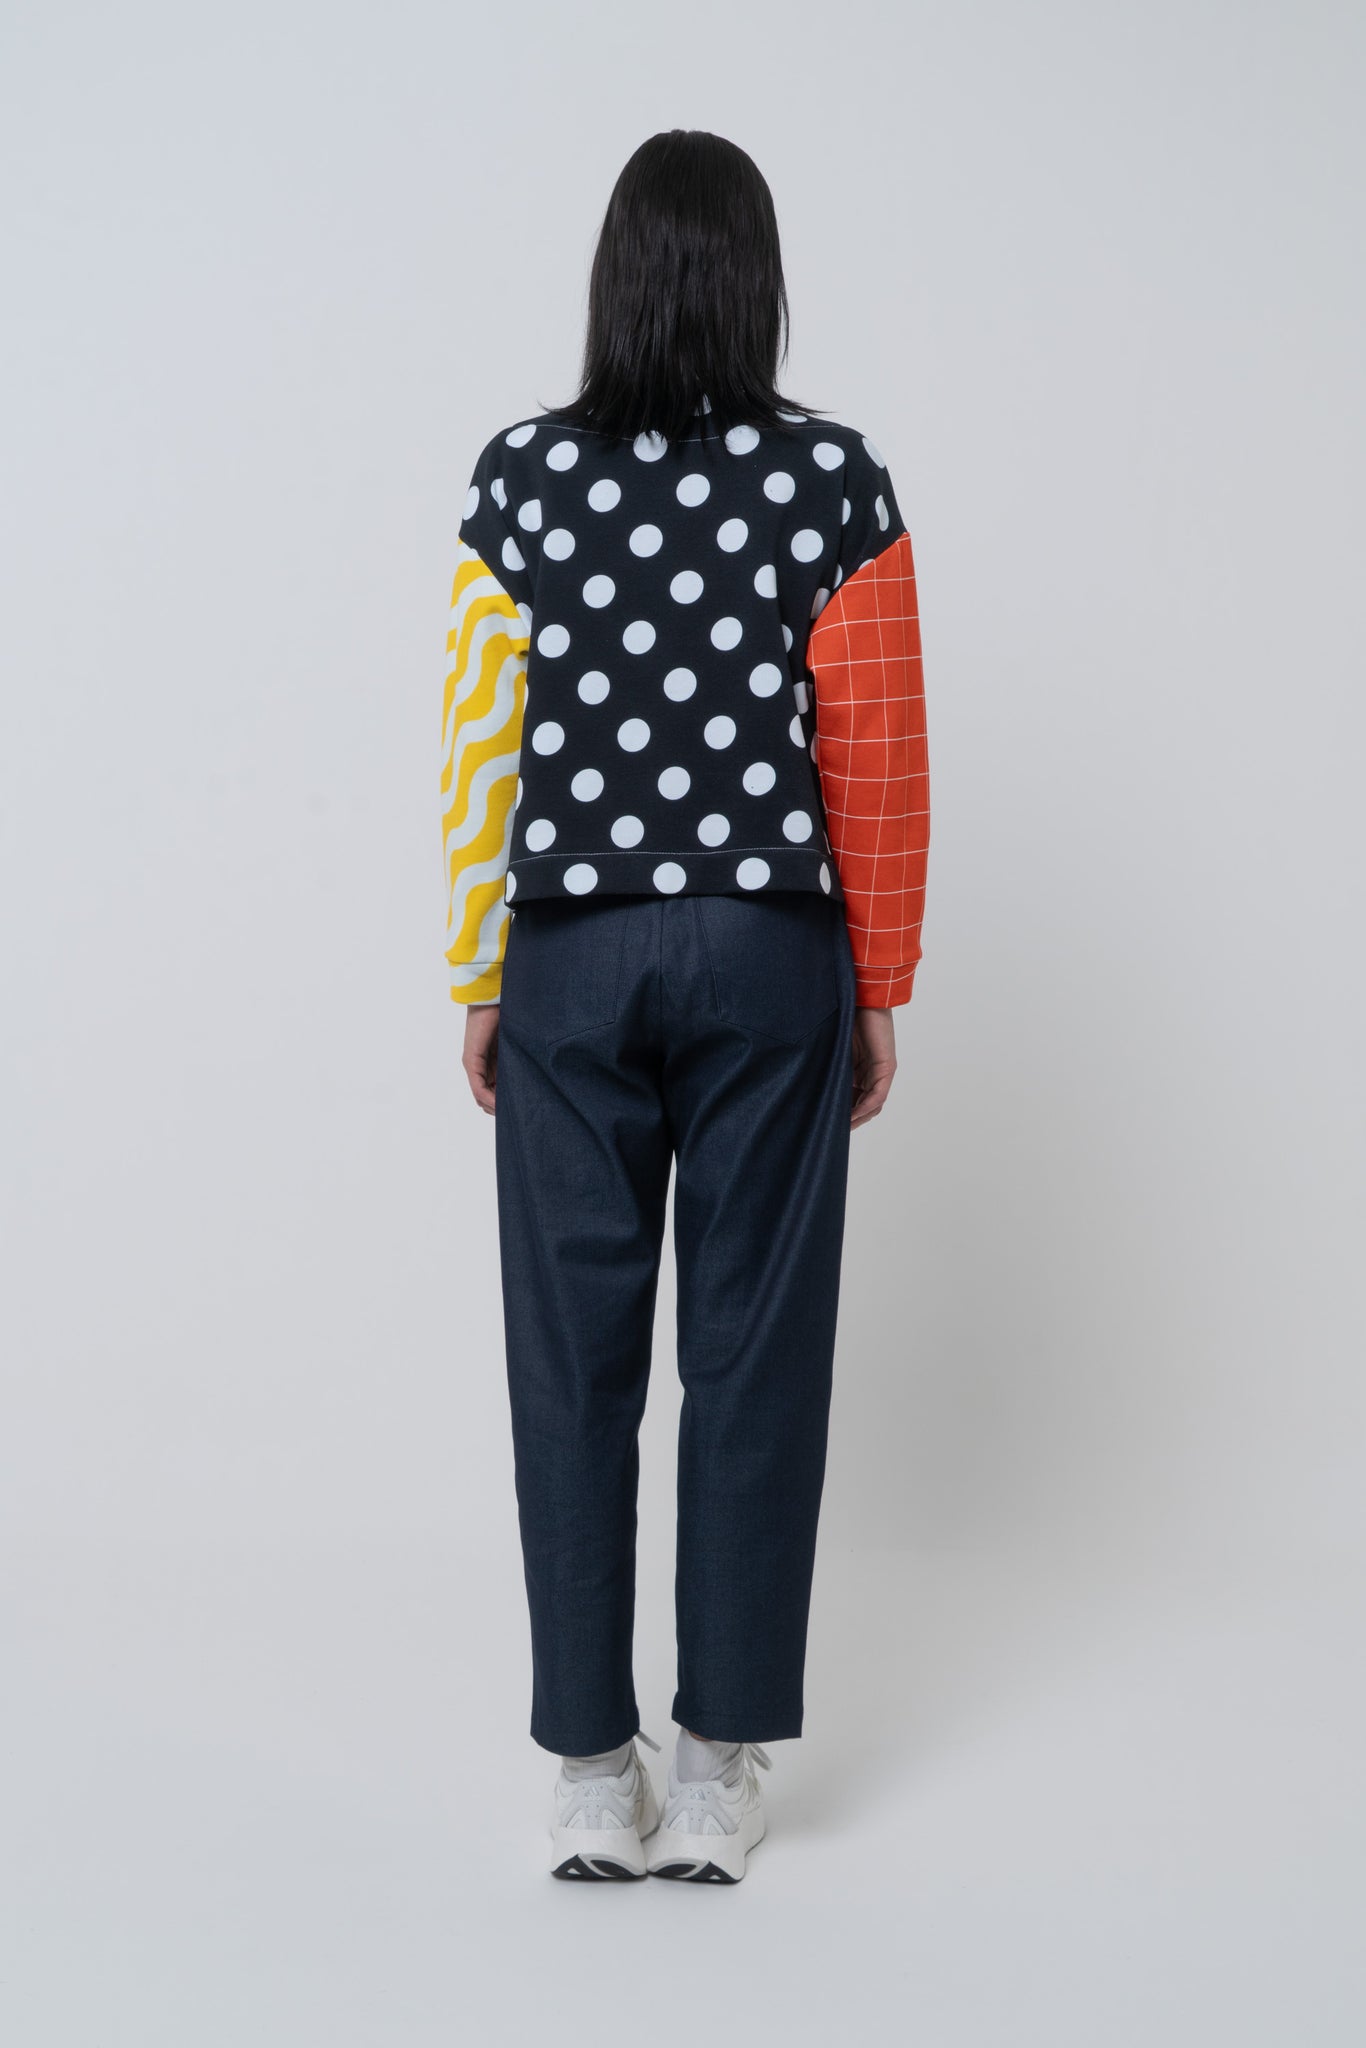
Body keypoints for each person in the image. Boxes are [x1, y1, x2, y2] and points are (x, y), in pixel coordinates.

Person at [440, 129, 930, 1883]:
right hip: (765, 951)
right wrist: (877, 983)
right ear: (757, 282)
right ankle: (717, 1771)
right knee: (750, 1354)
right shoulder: (832, 483)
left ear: (613, 278)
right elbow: (874, 753)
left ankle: (591, 1768)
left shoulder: (520, 479)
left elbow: (479, 746)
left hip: (569, 956)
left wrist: (478, 973)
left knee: (569, 1360)